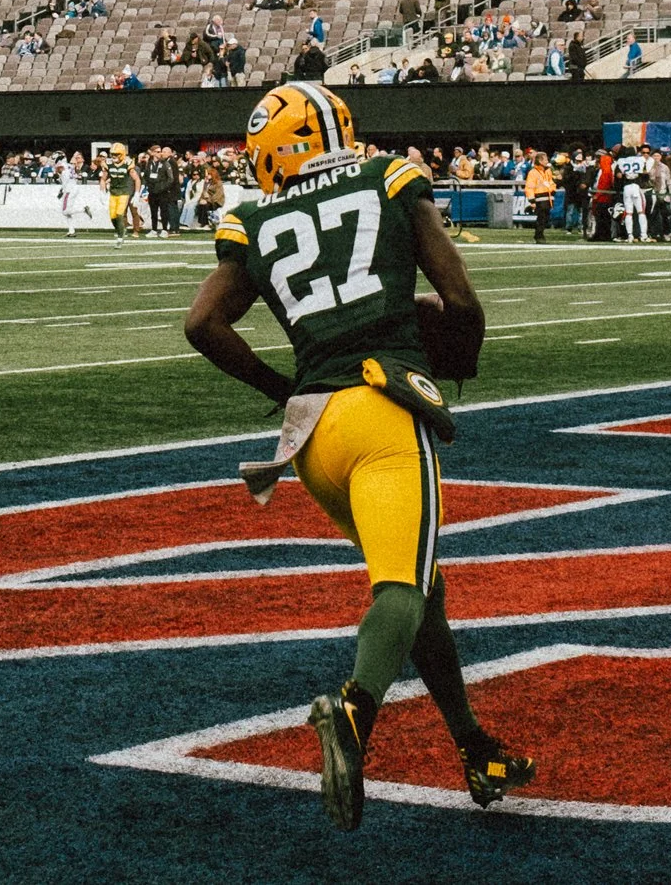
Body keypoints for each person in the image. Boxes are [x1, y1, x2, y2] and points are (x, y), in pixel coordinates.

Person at [182, 80, 531, 831]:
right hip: (381, 408)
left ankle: (473, 743)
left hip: (312, 436)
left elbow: (202, 322)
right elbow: (461, 301)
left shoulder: (255, 213)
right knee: (400, 588)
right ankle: (353, 709)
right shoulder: (389, 176)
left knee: (419, 588)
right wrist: (454, 359)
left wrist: (282, 384)